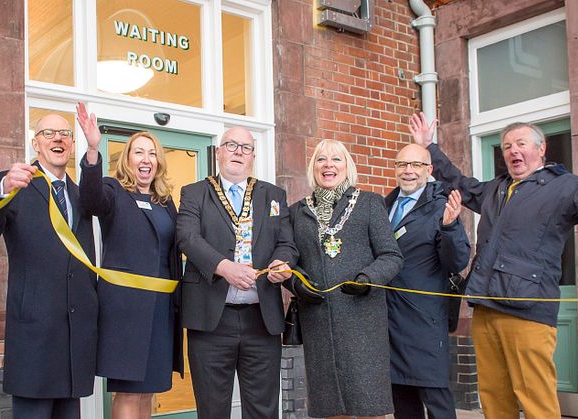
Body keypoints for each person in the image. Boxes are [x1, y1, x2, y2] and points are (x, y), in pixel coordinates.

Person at [410, 112, 578, 418]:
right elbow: (460, 183)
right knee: (494, 398)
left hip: (528, 310)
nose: (513, 150)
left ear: (541, 149)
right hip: (485, 308)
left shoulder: (565, 186)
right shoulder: (495, 189)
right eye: (507, 145)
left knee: (536, 399)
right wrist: (429, 148)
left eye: (521, 143)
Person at [0, 115, 97, 419]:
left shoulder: (80, 195)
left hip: (74, 337)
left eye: (65, 133)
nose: (57, 139)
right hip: (34, 336)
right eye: (48, 133)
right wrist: (1, 187)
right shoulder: (17, 183)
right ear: (35, 142)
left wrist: (93, 151)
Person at [175, 126, 298, 419]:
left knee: (263, 409)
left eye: (245, 147)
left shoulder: (273, 194)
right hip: (211, 321)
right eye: (231, 145)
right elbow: (187, 237)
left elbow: (287, 244)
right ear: (218, 152)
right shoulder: (195, 193)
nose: (238, 152)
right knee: (213, 409)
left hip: (262, 319)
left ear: (253, 156)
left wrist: (281, 262)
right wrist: (223, 267)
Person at [76, 103, 183, 419]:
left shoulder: (165, 202)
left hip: (160, 308)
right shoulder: (113, 190)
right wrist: (93, 151)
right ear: (128, 158)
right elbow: (91, 199)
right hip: (124, 309)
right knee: (128, 390)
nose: (145, 159)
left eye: (151, 153)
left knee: (148, 391)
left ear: (158, 161)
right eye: (138, 152)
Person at [288, 139, 404, 419]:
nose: (328, 165)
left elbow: (391, 256)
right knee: (330, 407)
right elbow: (289, 262)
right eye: (321, 159)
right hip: (318, 321)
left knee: (368, 405)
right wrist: (298, 284)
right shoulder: (296, 212)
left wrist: (367, 278)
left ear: (347, 166)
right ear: (312, 168)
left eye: (336, 159)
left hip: (362, 321)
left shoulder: (369, 203)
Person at [385, 144, 470, 419]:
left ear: (429, 170)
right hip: (389, 321)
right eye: (402, 164)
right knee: (402, 403)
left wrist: (450, 226)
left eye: (416, 165)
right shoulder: (384, 205)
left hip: (424, 319)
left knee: (437, 402)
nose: (408, 171)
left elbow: (457, 261)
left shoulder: (441, 206)